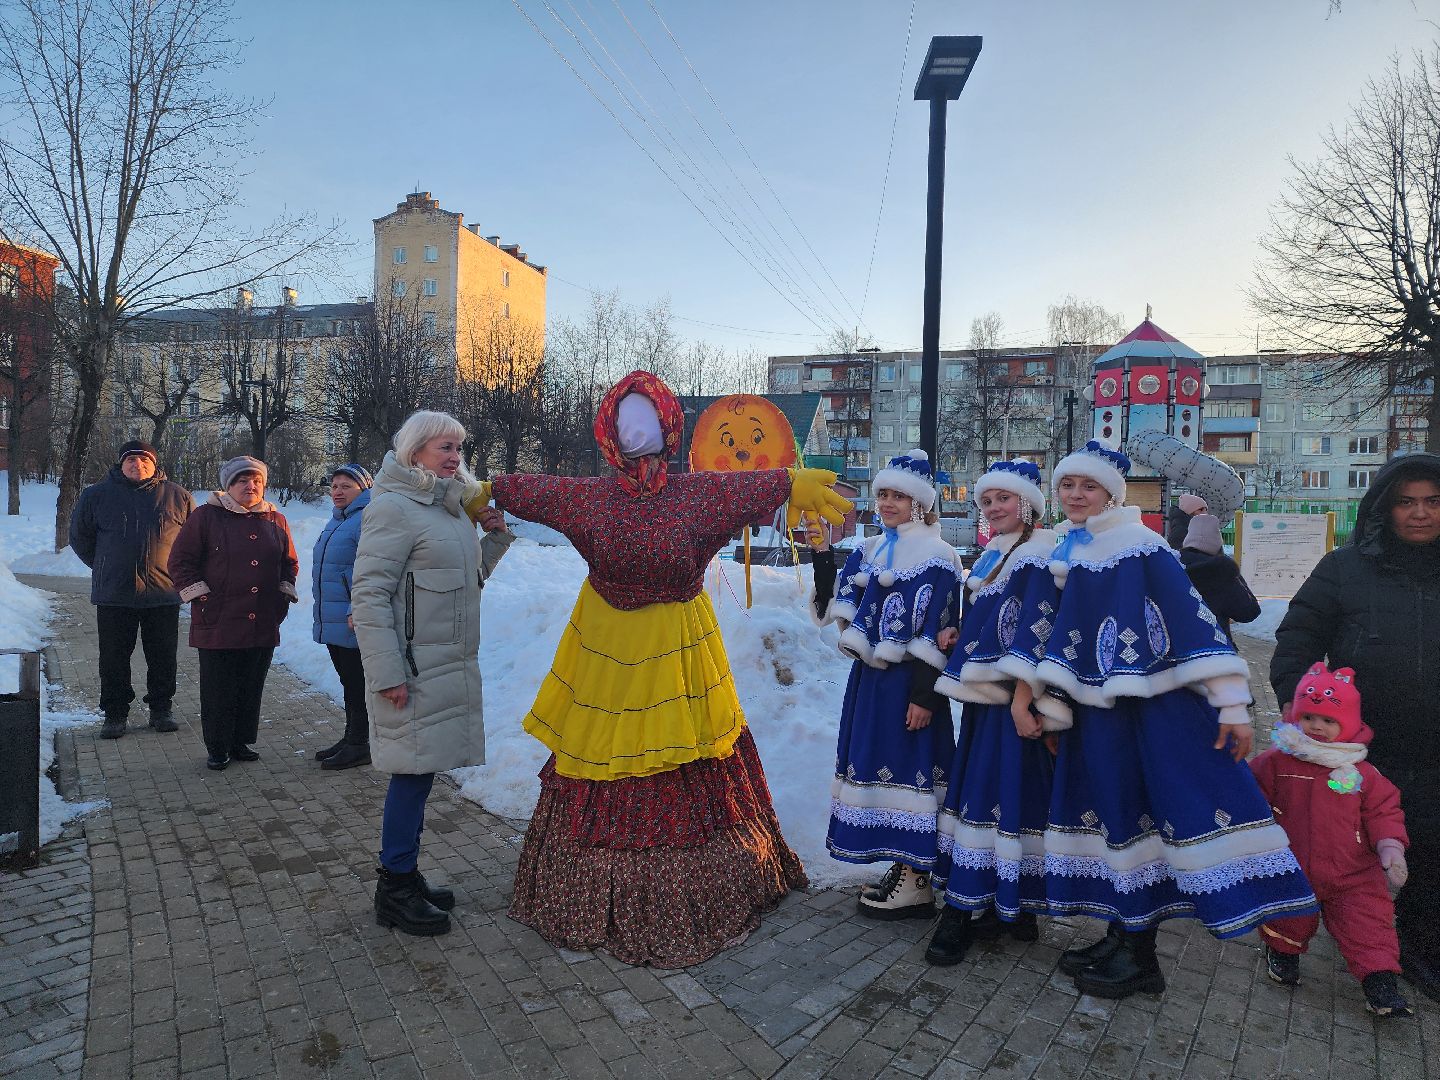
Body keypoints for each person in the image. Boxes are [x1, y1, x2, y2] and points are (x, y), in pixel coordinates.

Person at [471, 370, 849, 967]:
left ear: (670, 427)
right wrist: (490, 489)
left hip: (677, 646)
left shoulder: (695, 494)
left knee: (683, 744)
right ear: (608, 432)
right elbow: (538, 490)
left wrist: (786, 483)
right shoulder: (591, 498)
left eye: (647, 420)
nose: (636, 432)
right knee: (606, 745)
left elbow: (745, 487)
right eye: (625, 421)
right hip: (607, 648)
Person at [1031, 441, 1315, 1000]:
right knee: (1114, 817)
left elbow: (1193, 623)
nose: (1076, 495)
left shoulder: (1142, 546)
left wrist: (1231, 705)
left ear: (1112, 494)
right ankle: (1121, 933)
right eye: (1068, 485)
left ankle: (1141, 955)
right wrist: (1055, 707)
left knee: (1148, 817)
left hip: (1153, 714)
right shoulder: (1072, 547)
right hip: (1098, 716)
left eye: (1089, 486)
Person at [1271, 451, 1440, 1002]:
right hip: (1356, 750)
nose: (1420, 513)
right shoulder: (1345, 569)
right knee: (1343, 846)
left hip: (1432, 747)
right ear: (1385, 508)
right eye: (1407, 502)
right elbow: (1297, 639)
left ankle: (1416, 945)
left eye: (1433, 501)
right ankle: (1311, 930)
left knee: (1429, 846)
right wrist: (1300, 708)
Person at [350, 412, 514, 938]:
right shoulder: (393, 508)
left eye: (459, 448)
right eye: (445, 447)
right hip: (413, 668)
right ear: (416, 449)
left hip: (446, 664)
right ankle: (394, 888)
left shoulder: (448, 509)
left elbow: (464, 582)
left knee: (421, 775)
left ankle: (406, 873)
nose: (455, 457)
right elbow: (369, 596)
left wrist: (494, 538)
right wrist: (387, 673)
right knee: (411, 775)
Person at [809, 450, 963, 920]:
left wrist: (924, 697)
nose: (888, 503)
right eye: (883, 495)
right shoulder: (870, 549)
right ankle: (903, 866)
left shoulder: (939, 556)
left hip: (910, 685)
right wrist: (822, 555)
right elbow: (839, 608)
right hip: (871, 684)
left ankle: (917, 879)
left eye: (898, 495)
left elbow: (939, 629)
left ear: (920, 503)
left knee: (911, 772)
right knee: (879, 772)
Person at [925, 460, 1060, 965]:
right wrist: (960, 633)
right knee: (1007, 795)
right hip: (988, 701)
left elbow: (1039, 629)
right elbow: (993, 620)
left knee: (989, 796)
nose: (993, 507)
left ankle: (961, 910)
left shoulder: (1039, 553)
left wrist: (1025, 699)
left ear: (1027, 503)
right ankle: (1013, 906)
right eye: (986, 501)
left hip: (1013, 701)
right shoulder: (994, 554)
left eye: (1003, 498)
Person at [1251, 662, 1411, 1017]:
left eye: (1328, 720)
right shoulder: (1277, 761)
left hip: (1353, 871)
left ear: (1348, 723)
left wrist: (1390, 846)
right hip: (1293, 864)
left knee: (1368, 923)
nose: (1317, 726)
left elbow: (1383, 811)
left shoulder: (1359, 771)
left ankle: (1380, 980)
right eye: (1308, 718)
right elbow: (1251, 794)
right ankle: (1284, 951)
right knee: (1288, 914)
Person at [168, 456, 299, 771]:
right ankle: (218, 746)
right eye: (242, 480)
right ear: (229, 485)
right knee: (219, 687)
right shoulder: (206, 517)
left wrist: (283, 595)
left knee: (251, 685)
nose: (250, 486)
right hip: (219, 618)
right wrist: (201, 597)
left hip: (262, 619)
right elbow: (180, 561)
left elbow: (289, 562)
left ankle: (240, 741)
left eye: (256, 481)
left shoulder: (276, 520)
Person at [69, 440, 195, 739]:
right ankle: (115, 713)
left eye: (144, 460)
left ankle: (161, 709)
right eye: (131, 461)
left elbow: (193, 542)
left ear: (154, 464)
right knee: (113, 658)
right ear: (121, 464)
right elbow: (80, 538)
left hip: (163, 593)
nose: (138, 465)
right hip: (115, 594)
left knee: (163, 656)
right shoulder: (96, 495)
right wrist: (105, 564)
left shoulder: (177, 496)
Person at [311, 464, 374, 771]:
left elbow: (369, 569)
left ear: (364, 489)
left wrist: (356, 608)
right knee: (348, 682)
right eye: (334, 486)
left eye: (346, 486)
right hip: (334, 617)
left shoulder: (367, 519)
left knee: (357, 683)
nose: (337, 491)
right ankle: (352, 737)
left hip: (353, 619)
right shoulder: (339, 519)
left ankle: (360, 744)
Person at [1178, 512, 1260, 643]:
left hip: (1179, 647)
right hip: (1216, 647)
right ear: (1217, 541)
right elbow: (1249, 612)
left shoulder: (1173, 565)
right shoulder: (1223, 572)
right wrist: (1235, 575)